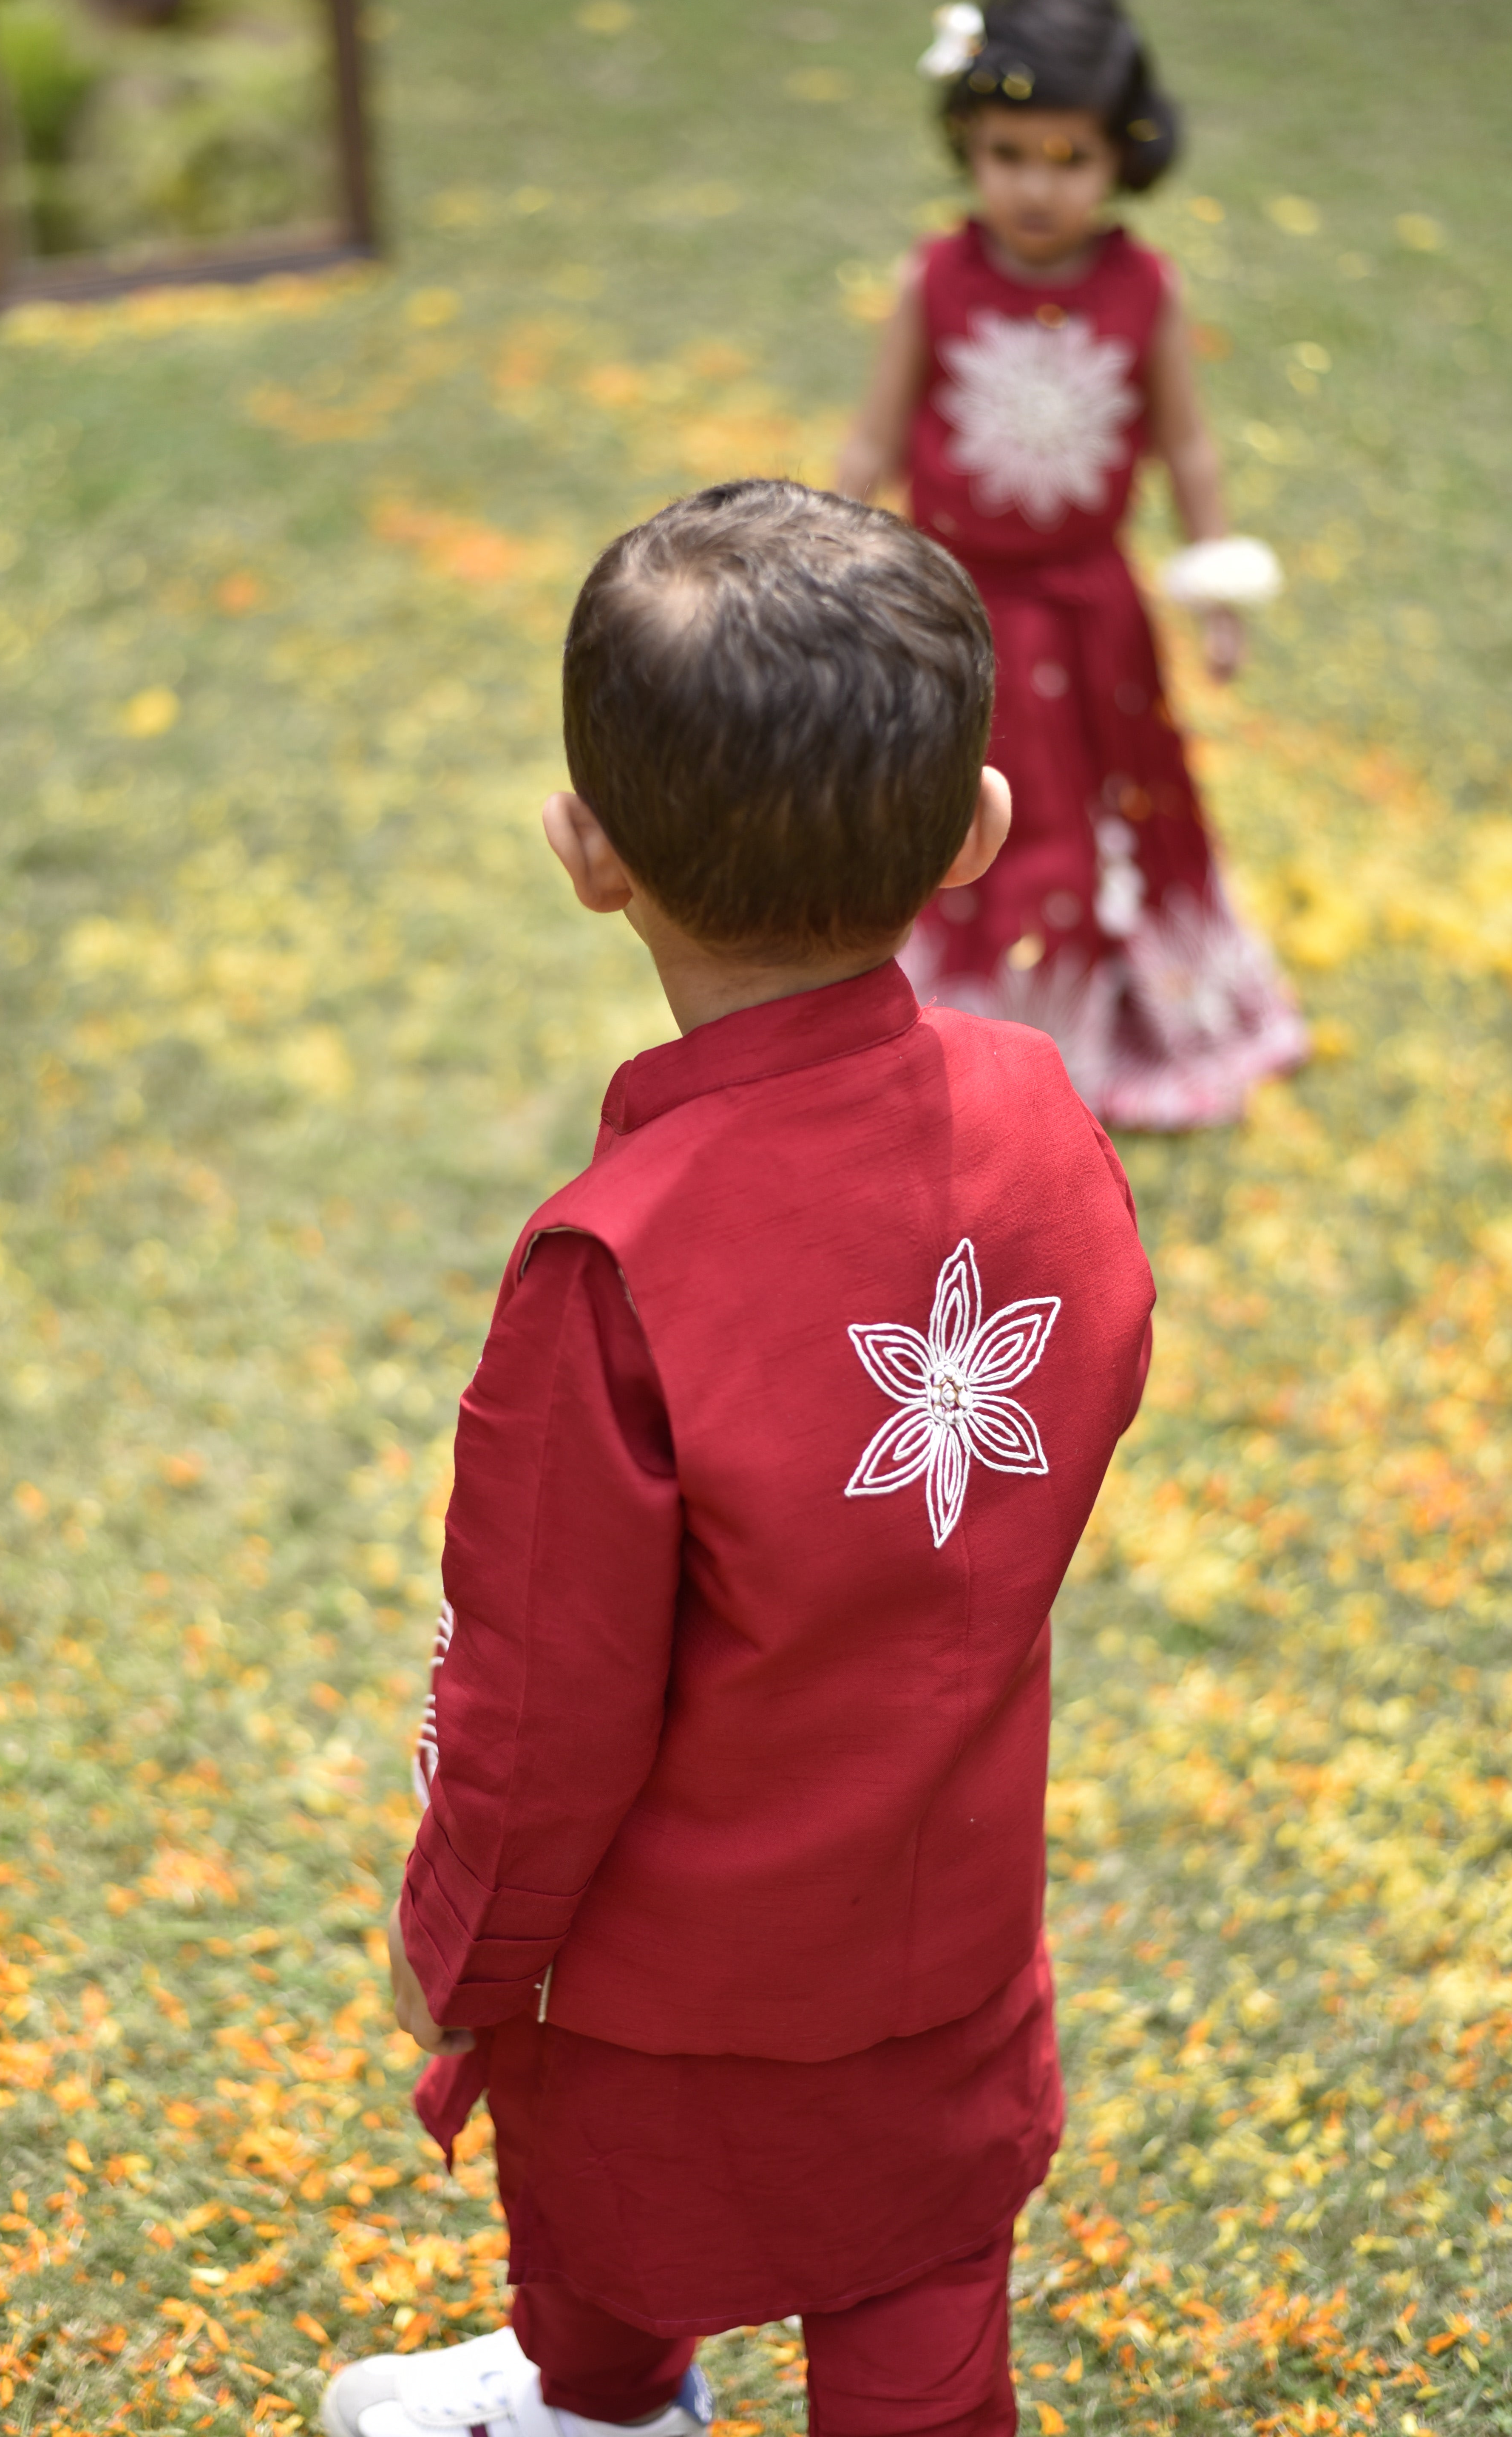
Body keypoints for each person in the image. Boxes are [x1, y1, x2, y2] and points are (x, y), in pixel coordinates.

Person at [322, 480, 1156, 2437]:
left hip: (672, 1985)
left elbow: (543, 1695)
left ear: (586, 852)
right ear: (975, 829)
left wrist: (456, 1940)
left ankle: (601, 2403)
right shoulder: (1041, 1115)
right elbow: (1079, 1391)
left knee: (606, 2222)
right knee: (922, 2277)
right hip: (946, 1912)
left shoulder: (615, 1267)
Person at [838, 0, 1306, 1132]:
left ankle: (1112, 1019)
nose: (1036, 186)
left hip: (1097, 618)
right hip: (961, 616)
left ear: (1121, 156)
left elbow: (1186, 446)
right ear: (964, 142)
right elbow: (872, 441)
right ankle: (977, 1020)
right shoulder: (933, 281)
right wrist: (820, 579)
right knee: (981, 817)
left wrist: (1216, 588)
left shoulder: (1145, 289)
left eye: (1068, 158)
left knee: (1108, 808)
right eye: (1008, 154)